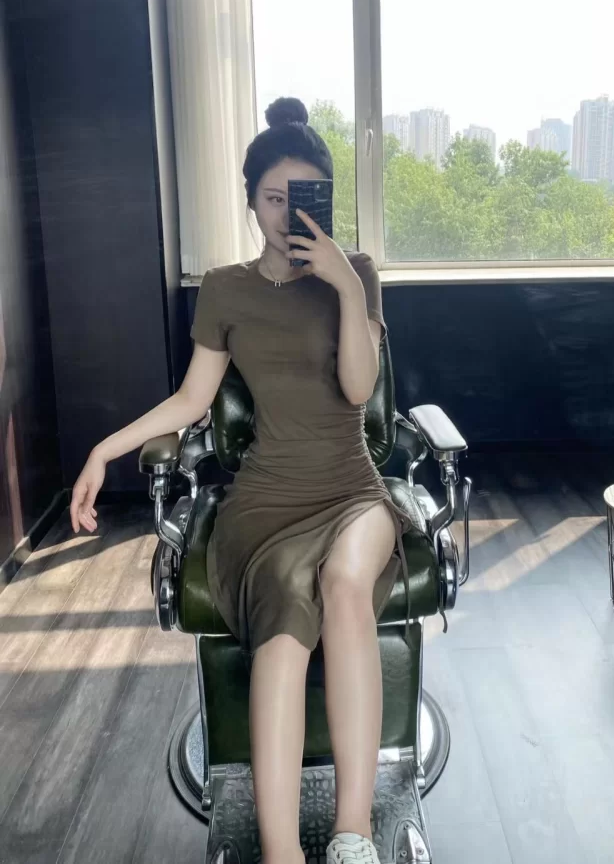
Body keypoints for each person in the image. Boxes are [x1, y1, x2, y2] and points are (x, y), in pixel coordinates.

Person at [69, 96, 411, 864]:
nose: (289, 215)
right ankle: (283, 853)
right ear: (252, 200)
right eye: (274, 198)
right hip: (264, 503)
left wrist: (344, 286)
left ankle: (353, 834)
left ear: (327, 198)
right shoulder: (225, 289)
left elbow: (359, 389)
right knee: (281, 638)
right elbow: (191, 401)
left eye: (305, 197)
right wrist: (103, 450)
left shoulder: (356, 273)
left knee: (345, 586)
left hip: (352, 488)